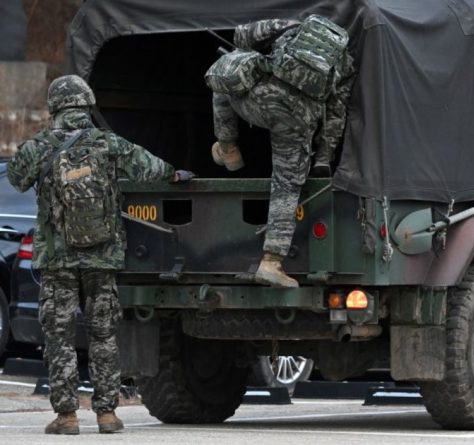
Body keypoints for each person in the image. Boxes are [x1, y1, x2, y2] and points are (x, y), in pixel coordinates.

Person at [6, 75, 194, 435]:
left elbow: (15, 179)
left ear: (55, 107)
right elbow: (151, 169)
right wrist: (177, 174)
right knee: (104, 334)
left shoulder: (40, 145)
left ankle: (67, 416)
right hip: (102, 257)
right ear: (87, 103)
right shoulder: (107, 143)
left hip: (57, 260)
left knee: (59, 337)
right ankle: (107, 414)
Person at [208, 15, 355, 288]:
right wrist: (323, 157)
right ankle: (271, 263)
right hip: (298, 120)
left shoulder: (292, 25)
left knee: (223, 73)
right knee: (286, 187)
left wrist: (256, 53)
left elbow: (242, 35)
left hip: (260, 100)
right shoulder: (345, 62)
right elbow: (336, 113)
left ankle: (227, 147)